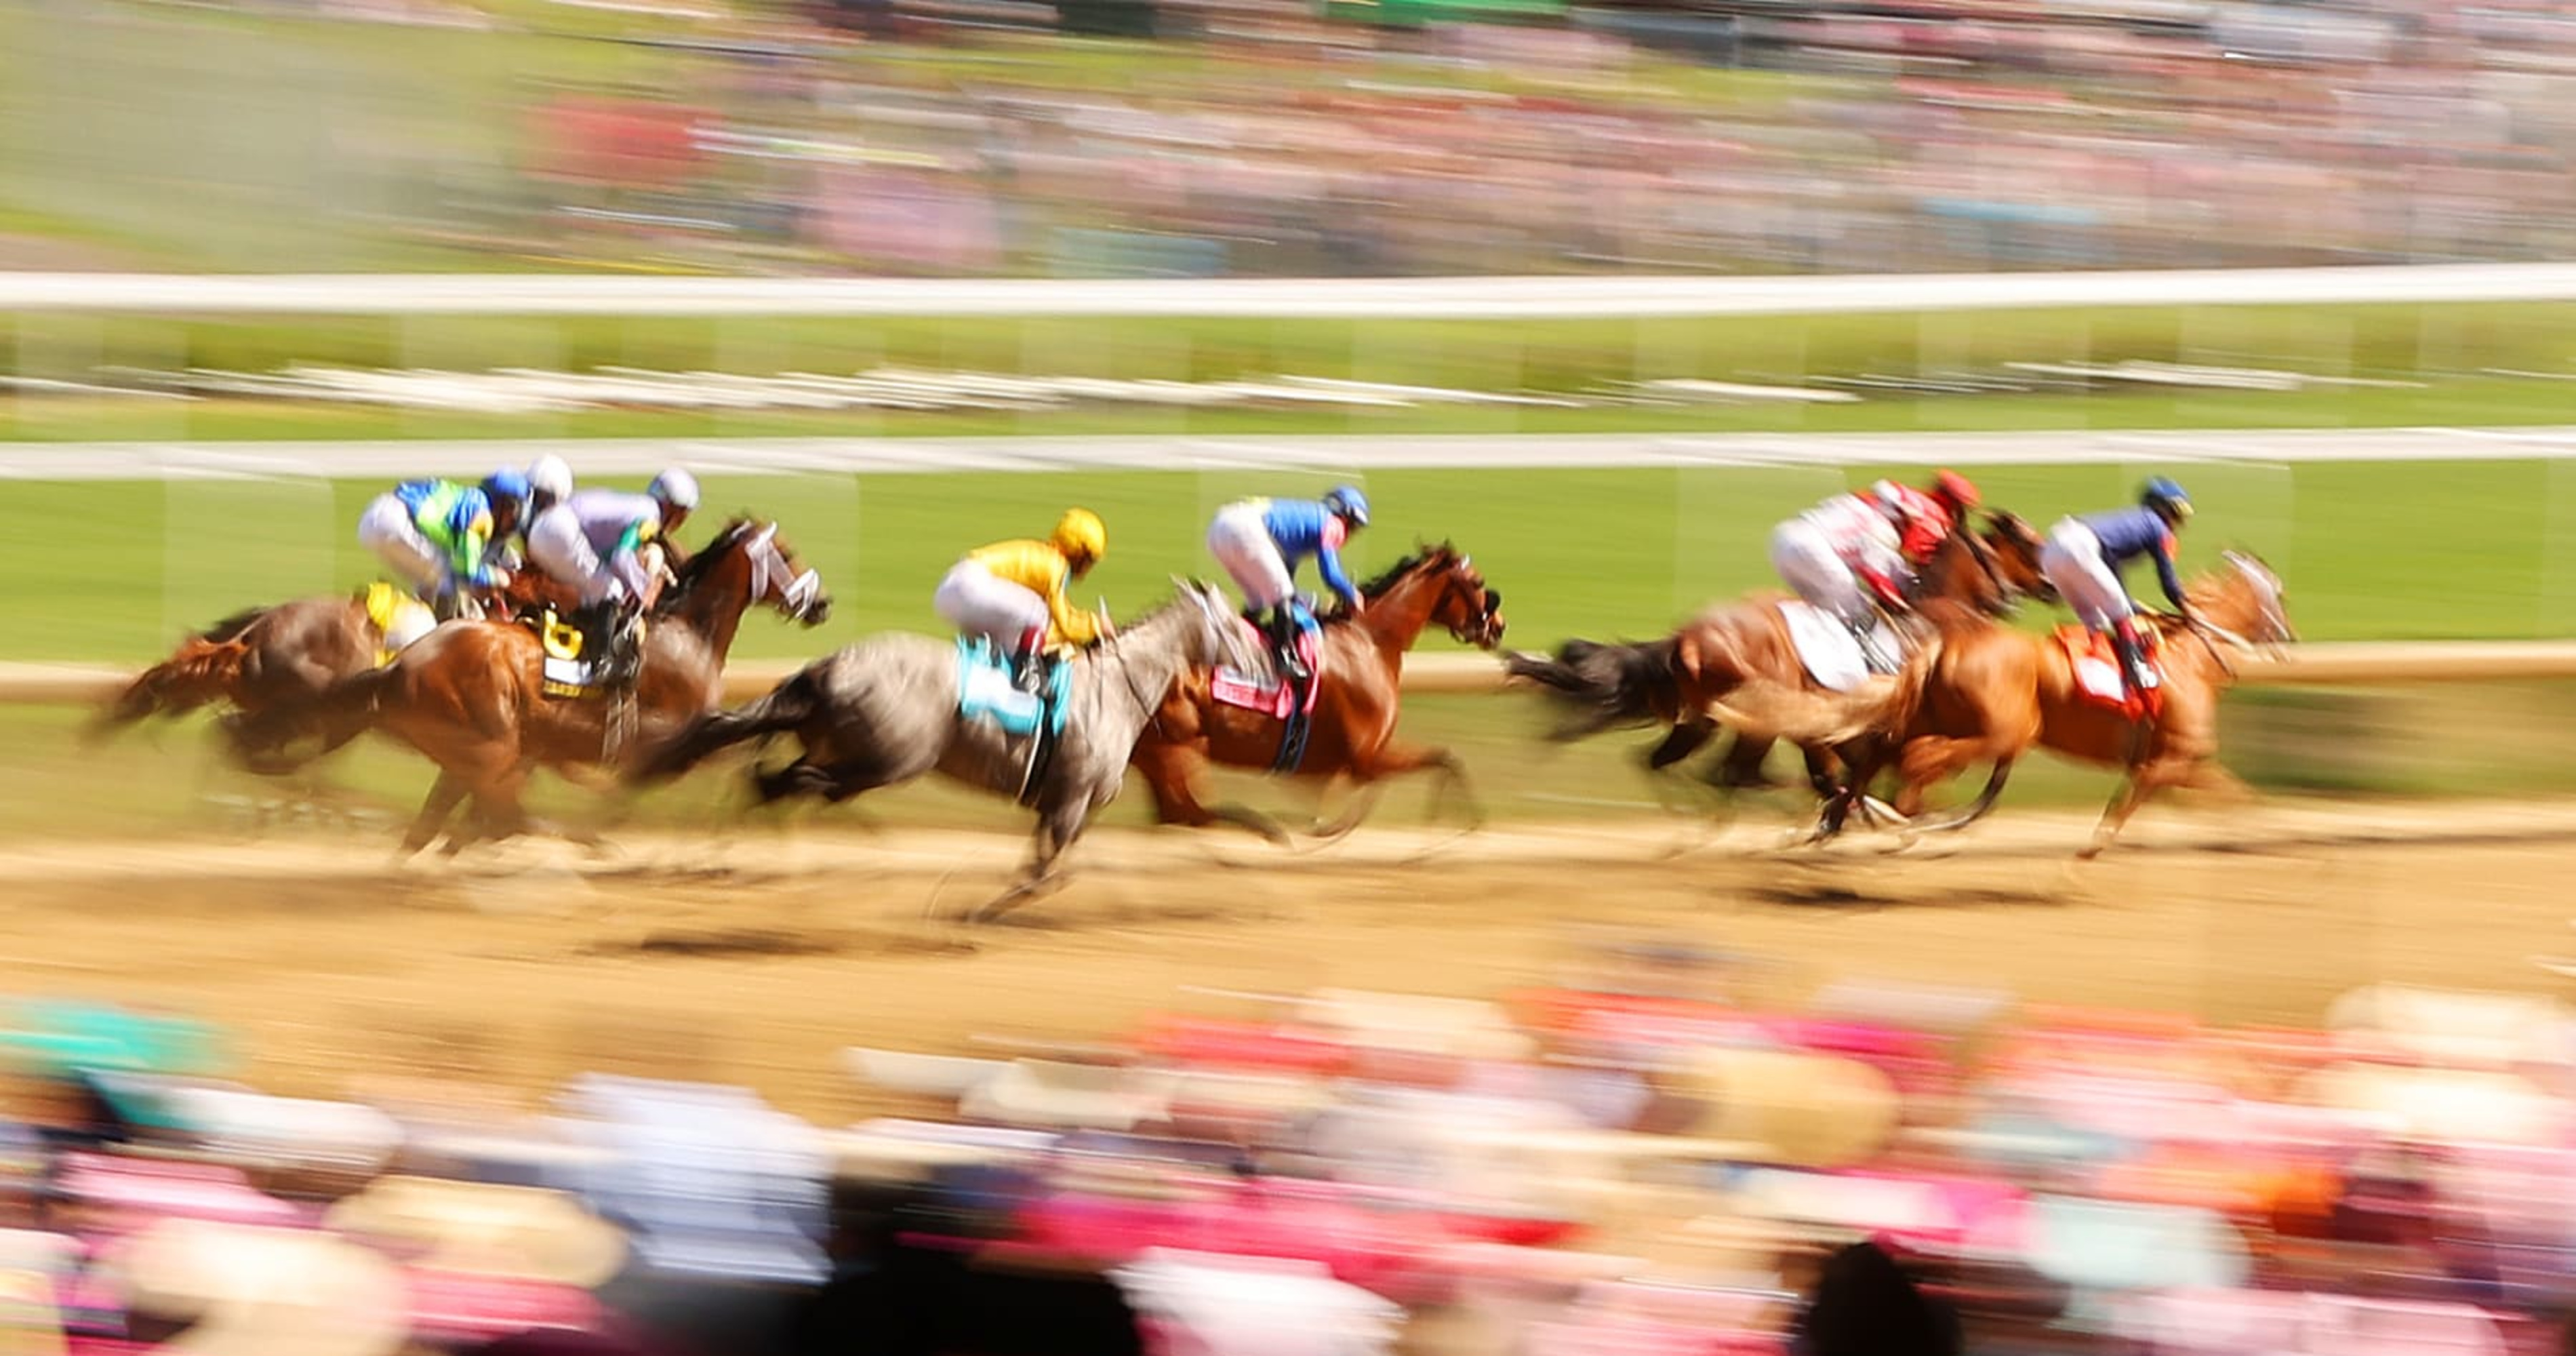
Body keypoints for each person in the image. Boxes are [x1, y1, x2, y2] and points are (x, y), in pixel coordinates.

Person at [526, 468, 700, 684]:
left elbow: (609, 556)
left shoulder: (636, 505)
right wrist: (644, 590)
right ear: (674, 508)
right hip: (561, 531)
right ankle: (602, 663)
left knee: (594, 591)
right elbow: (622, 557)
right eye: (684, 514)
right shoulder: (650, 517)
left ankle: (579, 646)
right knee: (612, 590)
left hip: (542, 530)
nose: (682, 521)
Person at [2037, 476, 2195, 707]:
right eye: (2177, 514)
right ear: (2164, 508)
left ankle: (2095, 675)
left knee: (2096, 620)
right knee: (2118, 612)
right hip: (2079, 548)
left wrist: (2134, 606)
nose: (2177, 523)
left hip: (2052, 551)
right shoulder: (2157, 527)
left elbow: (2110, 577)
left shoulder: (2129, 525)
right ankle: (2138, 674)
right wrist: (2188, 609)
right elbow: (2169, 584)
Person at [1205, 485, 1370, 684]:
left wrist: (1310, 602)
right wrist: (1351, 594)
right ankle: (1283, 660)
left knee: (1259, 600)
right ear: (1346, 516)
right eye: (1353, 527)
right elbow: (1331, 575)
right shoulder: (1332, 523)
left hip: (1219, 530)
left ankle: (1237, 650)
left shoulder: (1300, 526)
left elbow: (1286, 581)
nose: (1349, 534)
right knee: (1280, 594)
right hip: (1245, 529)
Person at [933, 509, 1108, 694]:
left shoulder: (1045, 556)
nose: (1088, 568)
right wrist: (1097, 625)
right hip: (970, 585)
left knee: (1017, 636)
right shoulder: (1056, 566)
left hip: (951, 590)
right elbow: (1062, 621)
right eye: (1090, 560)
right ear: (1079, 553)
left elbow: (1047, 631)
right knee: (1041, 613)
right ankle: (1027, 676)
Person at [356, 468, 531, 622]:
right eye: (517, 511)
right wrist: (497, 577)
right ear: (506, 505)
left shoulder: (472, 498)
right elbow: (466, 570)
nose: (515, 521)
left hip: (377, 516)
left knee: (430, 581)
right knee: (447, 580)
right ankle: (441, 642)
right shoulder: (482, 515)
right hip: (394, 522)